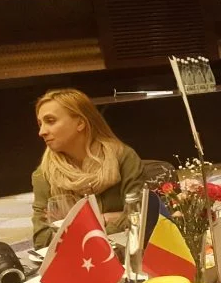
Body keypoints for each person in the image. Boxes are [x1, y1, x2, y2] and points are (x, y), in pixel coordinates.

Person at [31, 89, 144, 248]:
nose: (41, 132)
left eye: (50, 121)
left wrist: (74, 229)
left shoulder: (123, 157)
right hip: (77, 260)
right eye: (40, 124)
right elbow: (42, 239)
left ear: (80, 123)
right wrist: (103, 221)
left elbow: (139, 216)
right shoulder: (43, 174)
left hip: (126, 251)